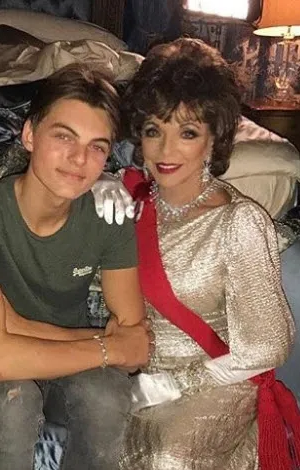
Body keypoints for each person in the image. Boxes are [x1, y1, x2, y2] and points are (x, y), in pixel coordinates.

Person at [0, 63, 153, 470]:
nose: (79, 159)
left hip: (72, 366)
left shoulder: (109, 216)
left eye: (97, 147)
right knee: (14, 400)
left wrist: (117, 349)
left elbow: (135, 350)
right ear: (29, 135)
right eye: (63, 137)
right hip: (5, 366)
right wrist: (108, 346)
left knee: (107, 397)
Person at [103, 37, 298, 469]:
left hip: (217, 381)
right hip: (136, 373)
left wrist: (177, 383)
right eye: (154, 130)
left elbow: (269, 346)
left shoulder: (239, 222)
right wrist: (99, 184)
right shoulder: (129, 201)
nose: (166, 150)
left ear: (213, 140)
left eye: (187, 133)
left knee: (165, 457)